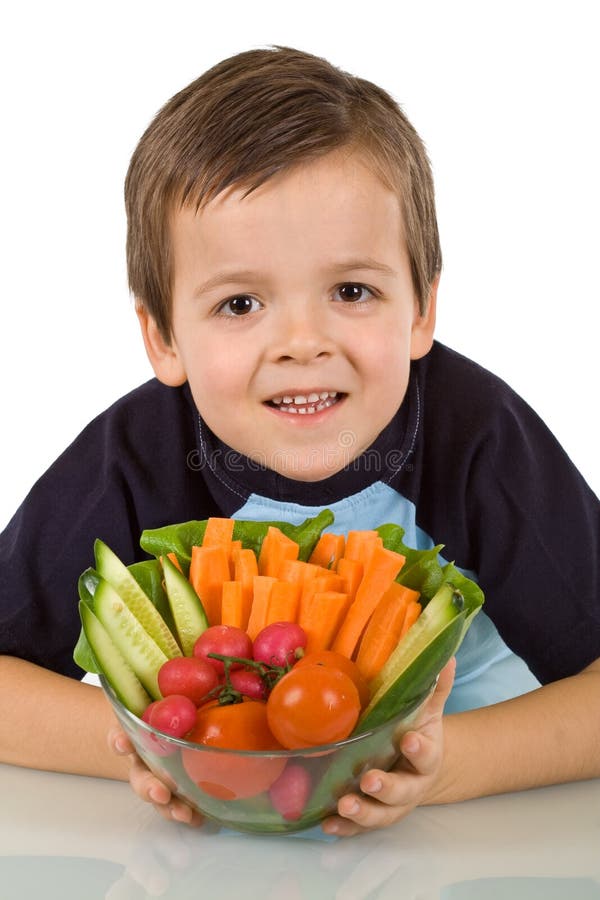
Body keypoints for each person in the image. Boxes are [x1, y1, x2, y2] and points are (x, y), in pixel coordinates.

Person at [1, 46, 598, 838]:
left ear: (420, 309)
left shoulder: (478, 435)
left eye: (352, 291)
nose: (302, 341)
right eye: (241, 302)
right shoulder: (134, 454)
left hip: (470, 832)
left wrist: (444, 766)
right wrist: (155, 753)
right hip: (204, 851)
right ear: (163, 338)